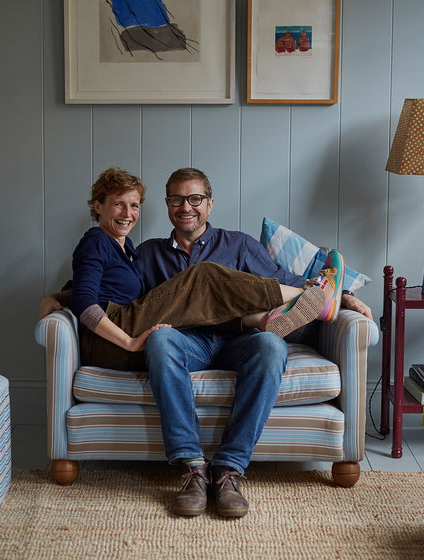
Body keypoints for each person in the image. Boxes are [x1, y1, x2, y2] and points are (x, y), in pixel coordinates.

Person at [40, 167, 373, 518]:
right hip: (185, 344)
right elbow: (102, 287)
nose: (187, 206)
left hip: (236, 343)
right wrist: (63, 297)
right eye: (177, 199)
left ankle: (229, 468)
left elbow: (286, 279)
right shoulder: (148, 253)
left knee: (272, 345)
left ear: (209, 204)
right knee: (169, 326)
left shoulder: (238, 244)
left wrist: (347, 297)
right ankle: (192, 469)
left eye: (195, 198)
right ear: (167, 205)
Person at [71, 167, 344, 371]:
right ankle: (312, 296)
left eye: (133, 205)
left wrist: (348, 297)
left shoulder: (129, 248)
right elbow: (88, 295)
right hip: (155, 340)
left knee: (232, 309)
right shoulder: (129, 248)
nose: (127, 213)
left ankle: (296, 304)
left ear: (209, 204)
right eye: (118, 204)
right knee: (204, 277)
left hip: (230, 341)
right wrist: (128, 342)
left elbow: (90, 284)